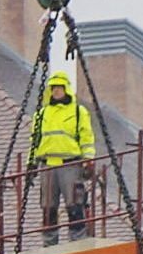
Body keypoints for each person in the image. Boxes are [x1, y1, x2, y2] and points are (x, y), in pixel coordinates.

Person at [28, 71, 98, 242]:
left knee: (74, 204)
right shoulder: (42, 114)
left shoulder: (78, 112)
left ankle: (77, 241)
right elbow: (35, 140)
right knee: (48, 207)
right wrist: (31, 163)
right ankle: (49, 242)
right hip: (48, 165)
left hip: (70, 164)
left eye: (59, 88)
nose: (56, 92)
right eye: (54, 88)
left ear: (66, 89)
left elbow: (86, 137)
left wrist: (88, 159)